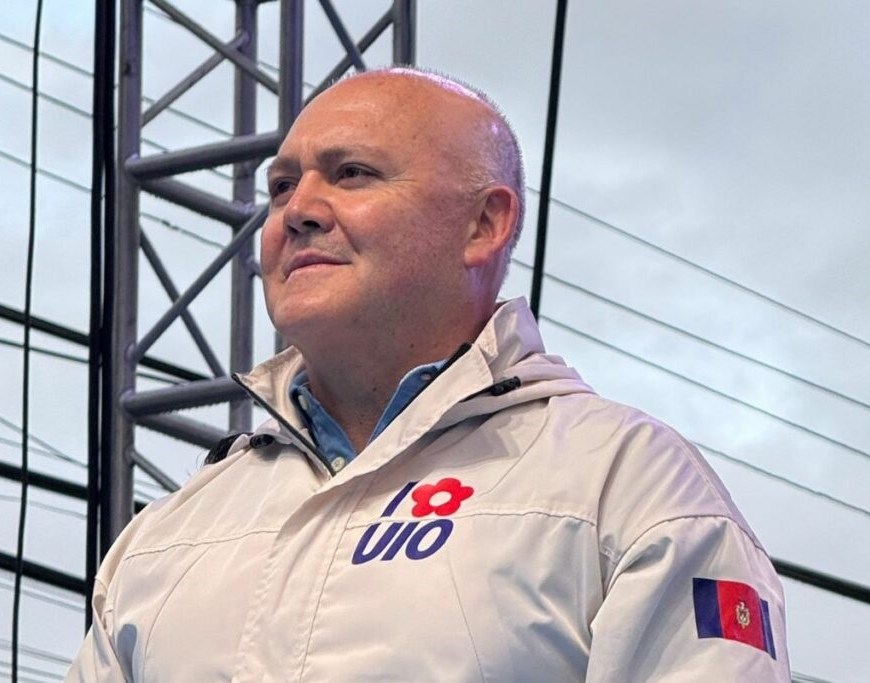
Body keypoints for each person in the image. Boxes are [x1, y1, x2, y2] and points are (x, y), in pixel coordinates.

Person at [67, 67, 790, 681]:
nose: (298, 212)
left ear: (483, 225)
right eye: (282, 186)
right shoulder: (167, 534)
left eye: (351, 174)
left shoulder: (626, 486)